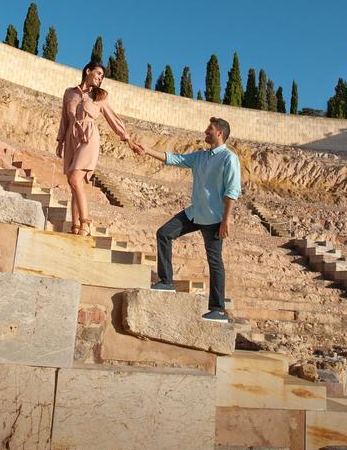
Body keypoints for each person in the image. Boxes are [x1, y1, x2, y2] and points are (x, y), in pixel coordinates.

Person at [130, 117, 240, 322]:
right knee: (164, 233)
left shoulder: (228, 158)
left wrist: (226, 220)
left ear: (220, 133)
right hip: (194, 213)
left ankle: (218, 310)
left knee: (214, 261)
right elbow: (174, 158)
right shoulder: (200, 156)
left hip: (215, 218)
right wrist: (147, 150)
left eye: (210, 129)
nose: (206, 132)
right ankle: (166, 281)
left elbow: (232, 191)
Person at [56, 61, 133, 235]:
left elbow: (113, 118)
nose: (100, 78)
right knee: (74, 184)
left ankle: (85, 223)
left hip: (89, 136)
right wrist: (60, 141)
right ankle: (75, 227)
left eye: (102, 76)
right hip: (71, 137)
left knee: (75, 179)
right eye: (98, 73)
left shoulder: (100, 96)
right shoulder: (69, 93)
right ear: (88, 71)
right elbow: (64, 119)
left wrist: (127, 139)